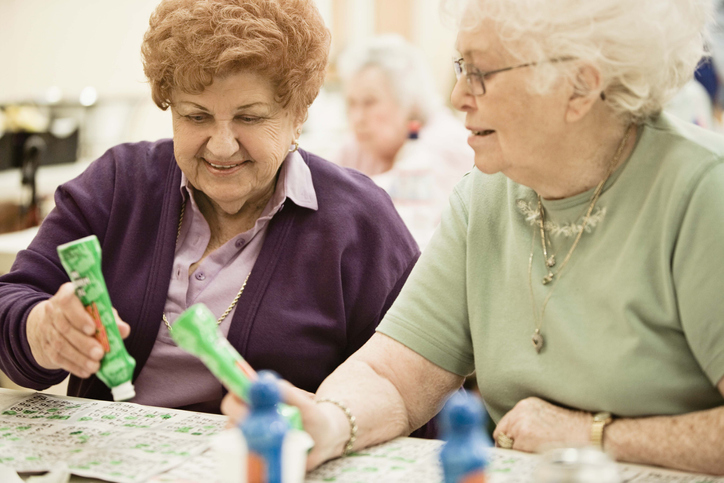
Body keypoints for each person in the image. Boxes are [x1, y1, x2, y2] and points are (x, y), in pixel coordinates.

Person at [222, 0, 724, 475]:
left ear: (578, 87)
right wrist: (328, 423)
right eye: (461, 68)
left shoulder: (703, 193)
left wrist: (593, 437)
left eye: (480, 73)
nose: (458, 96)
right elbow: (394, 377)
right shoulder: (488, 193)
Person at [0, 0, 419, 414]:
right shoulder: (117, 185)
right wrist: (40, 329)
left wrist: (340, 416)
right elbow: (12, 302)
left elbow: (414, 386)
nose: (221, 147)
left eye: (250, 118)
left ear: (299, 113)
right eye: (196, 117)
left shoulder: (361, 223)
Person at [333, 35, 473, 248]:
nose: (357, 118)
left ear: (408, 104)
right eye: (351, 103)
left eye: (369, 102)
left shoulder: (444, 144)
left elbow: (407, 237)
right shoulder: (358, 144)